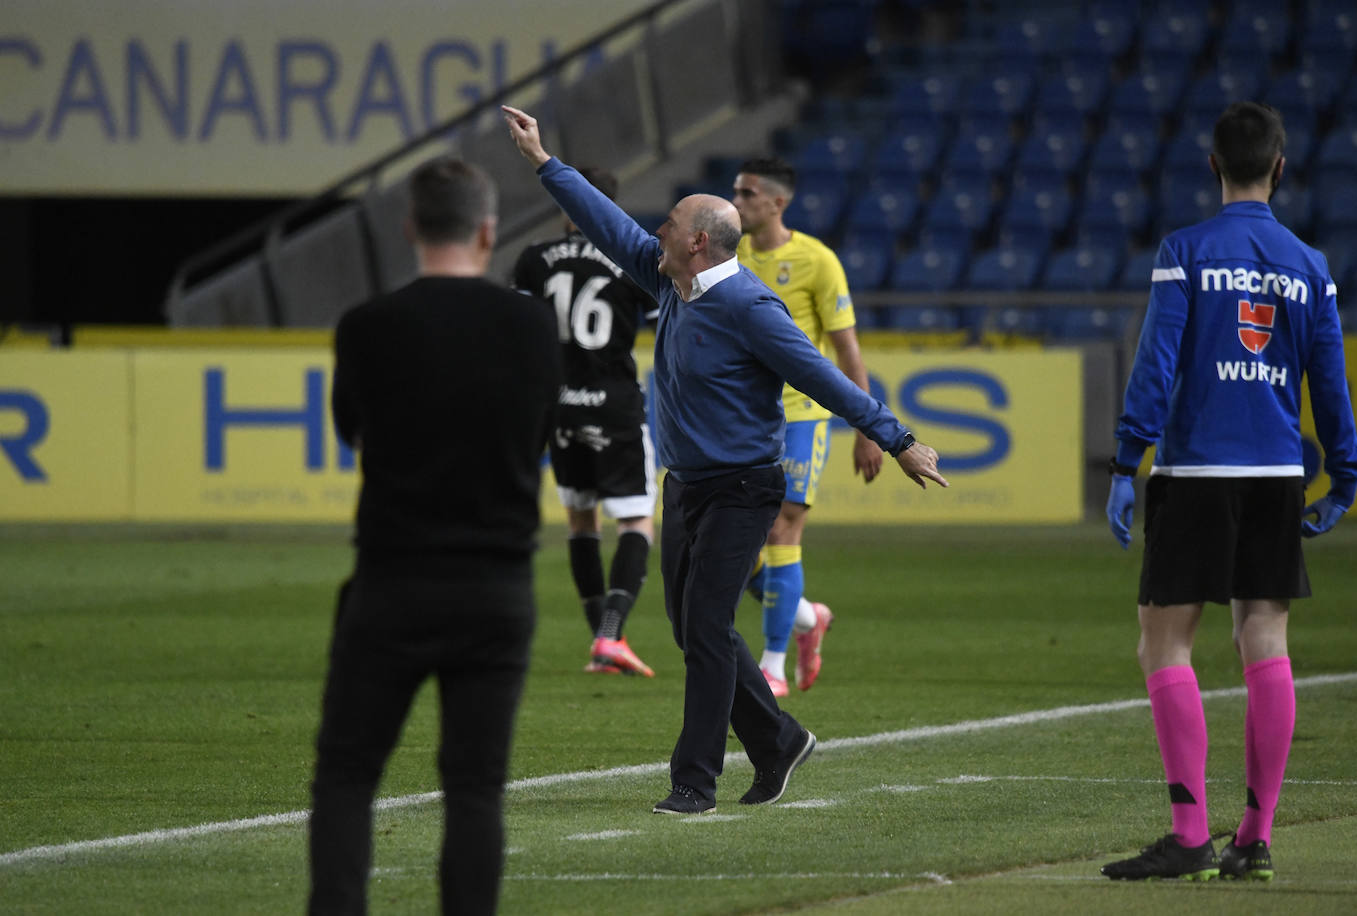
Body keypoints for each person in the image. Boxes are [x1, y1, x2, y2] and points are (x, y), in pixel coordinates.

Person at [502, 104, 948, 816]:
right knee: (690, 627)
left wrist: (896, 439)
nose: (656, 231)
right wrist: (543, 163)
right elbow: (608, 225)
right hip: (685, 487)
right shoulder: (669, 280)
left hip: (743, 488)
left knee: (706, 628)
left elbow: (823, 377)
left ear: (699, 242)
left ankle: (695, 782)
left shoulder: (750, 308)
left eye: (670, 224)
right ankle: (779, 741)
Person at [1101, 102, 1357, 882]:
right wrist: (1345, 473)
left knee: (1164, 643)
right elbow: (1331, 382)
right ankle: (1254, 837)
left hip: (1197, 471)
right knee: (1265, 638)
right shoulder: (1310, 265)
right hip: (1278, 474)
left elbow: (1156, 363)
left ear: (1213, 164)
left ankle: (1190, 836)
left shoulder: (1185, 251)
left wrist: (1125, 462)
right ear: (1280, 168)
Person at [309, 155, 561, 914]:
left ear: (410, 227)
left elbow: (352, 431)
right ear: (488, 231)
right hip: (496, 587)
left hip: (393, 582)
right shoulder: (532, 325)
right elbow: (539, 434)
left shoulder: (368, 326)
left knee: (348, 775)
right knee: (475, 788)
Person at [732, 156, 885, 697]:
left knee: (782, 528)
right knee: (732, 543)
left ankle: (773, 665)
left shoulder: (817, 261)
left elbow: (847, 350)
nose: (737, 202)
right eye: (735, 192)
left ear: (778, 202)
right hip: (743, 415)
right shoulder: (728, 253)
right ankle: (806, 619)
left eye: (747, 194)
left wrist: (867, 429)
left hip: (800, 413)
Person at [511, 166, 660, 678]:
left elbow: (520, 334)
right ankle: (611, 635)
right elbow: (670, 326)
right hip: (614, 404)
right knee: (636, 520)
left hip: (559, 405)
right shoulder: (636, 260)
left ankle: (602, 643)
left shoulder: (534, 258)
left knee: (581, 520)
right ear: (609, 207)